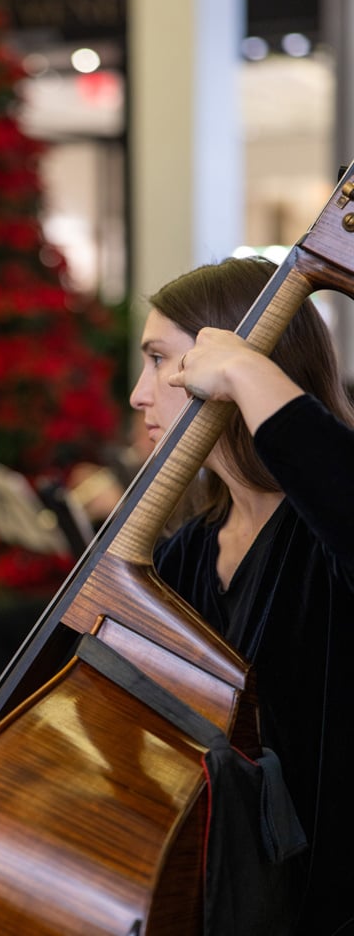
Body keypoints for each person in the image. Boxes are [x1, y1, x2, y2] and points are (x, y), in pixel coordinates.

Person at [130, 254, 354, 935]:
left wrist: (249, 372)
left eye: (160, 360)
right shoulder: (181, 552)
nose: (141, 393)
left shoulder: (325, 531)